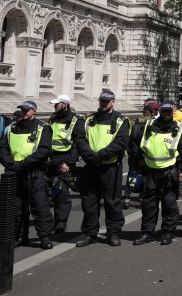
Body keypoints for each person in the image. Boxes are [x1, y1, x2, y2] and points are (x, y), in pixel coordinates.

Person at [73, 90, 130, 247]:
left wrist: (100, 156)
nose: (103, 104)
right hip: (91, 166)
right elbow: (80, 139)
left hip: (110, 167)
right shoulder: (89, 119)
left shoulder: (121, 120)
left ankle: (113, 233)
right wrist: (90, 156)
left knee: (112, 202)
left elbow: (120, 142)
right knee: (89, 202)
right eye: (101, 101)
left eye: (106, 101)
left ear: (113, 101)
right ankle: (90, 233)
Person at [0, 101, 54, 249]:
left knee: (39, 206)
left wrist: (23, 164)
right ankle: (20, 236)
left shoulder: (43, 128)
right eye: (22, 110)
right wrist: (10, 164)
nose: (23, 112)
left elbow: (44, 150)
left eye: (26, 110)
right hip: (15, 172)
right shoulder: (12, 128)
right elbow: (2, 149)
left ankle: (44, 237)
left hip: (34, 173)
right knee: (17, 208)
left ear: (34, 111)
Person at [132, 102, 182, 245]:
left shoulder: (179, 128)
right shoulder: (148, 126)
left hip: (169, 172)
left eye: (169, 111)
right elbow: (134, 141)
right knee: (148, 205)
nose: (166, 114)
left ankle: (168, 233)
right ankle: (147, 233)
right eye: (164, 111)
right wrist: (137, 160)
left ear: (172, 112)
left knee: (169, 205)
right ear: (160, 112)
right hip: (150, 171)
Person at [46, 95, 81, 234]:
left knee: (61, 192)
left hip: (64, 160)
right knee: (48, 192)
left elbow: (78, 144)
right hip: (50, 159)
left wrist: (69, 162)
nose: (54, 107)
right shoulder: (53, 117)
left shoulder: (75, 120)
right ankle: (50, 220)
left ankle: (61, 222)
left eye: (56, 104)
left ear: (65, 105)